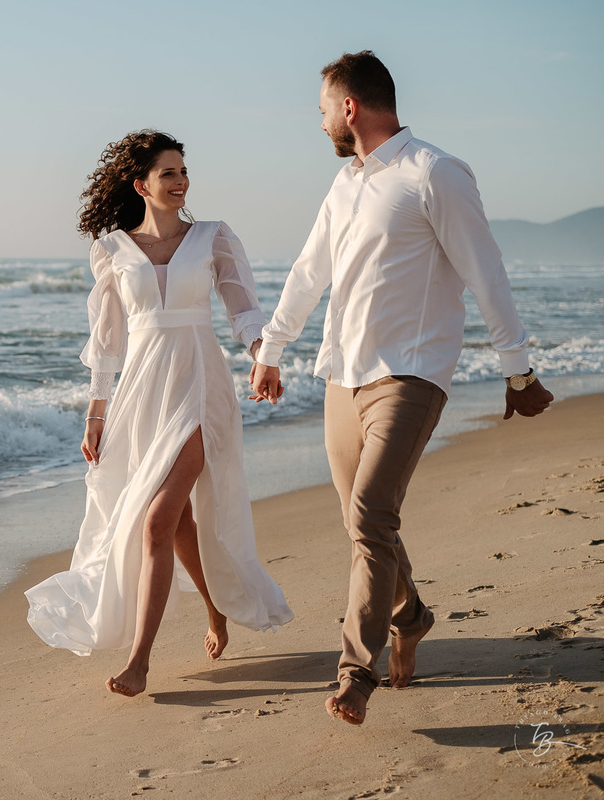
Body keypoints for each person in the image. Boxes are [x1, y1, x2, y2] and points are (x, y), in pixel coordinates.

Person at [249, 51, 554, 725]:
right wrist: (272, 348)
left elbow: (486, 270)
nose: (321, 118)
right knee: (367, 526)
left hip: (411, 372)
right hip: (342, 375)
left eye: (324, 106)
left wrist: (518, 367)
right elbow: (308, 272)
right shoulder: (345, 185)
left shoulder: (434, 173)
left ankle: (356, 672)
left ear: (350, 106)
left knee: (369, 516)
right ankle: (411, 616)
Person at [25, 130, 293, 697]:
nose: (180, 182)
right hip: (142, 393)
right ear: (140, 183)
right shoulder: (113, 250)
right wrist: (95, 414)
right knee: (177, 525)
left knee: (155, 520)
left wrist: (263, 357)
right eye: (167, 174)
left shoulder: (213, 238)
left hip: (200, 386)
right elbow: (107, 344)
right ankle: (216, 612)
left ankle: (140, 661)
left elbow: (244, 309)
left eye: (183, 172)